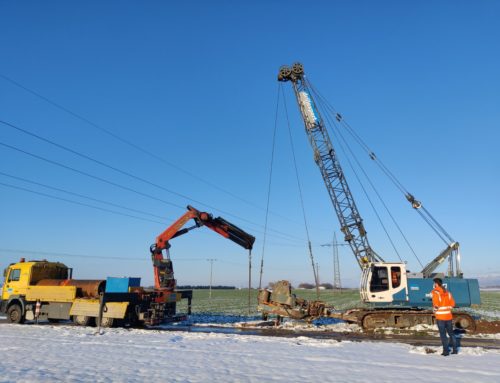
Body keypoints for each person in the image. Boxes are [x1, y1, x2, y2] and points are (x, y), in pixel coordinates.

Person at [432, 278, 457, 356]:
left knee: (443, 335)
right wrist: (448, 308)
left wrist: (434, 310)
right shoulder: (448, 293)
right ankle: (455, 350)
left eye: (434, 283)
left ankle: (446, 351)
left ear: (436, 284)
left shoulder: (435, 292)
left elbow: (436, 305)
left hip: (440, 317)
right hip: (448, 316)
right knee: (451, 333)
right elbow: (453, 304)